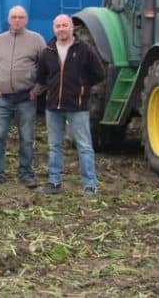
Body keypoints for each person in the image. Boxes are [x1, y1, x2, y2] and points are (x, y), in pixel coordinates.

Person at [36, 14, 104, 196]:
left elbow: (99, 73)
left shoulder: (84, 49)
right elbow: (41, 76)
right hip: (53, 107)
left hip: (77, 106)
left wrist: (82, 87)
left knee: (84, 146)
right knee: (54, 146)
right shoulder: (48, 51)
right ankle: (54, 182)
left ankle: (90, 184)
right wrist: (51, 88)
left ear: (72, 27)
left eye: (65, 25)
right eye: (58, 26)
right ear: (54, 29)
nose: (61, 29)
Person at [0, 5, 46, 187]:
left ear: (26, 20)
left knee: (26, 138)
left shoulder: (36, 40)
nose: (17, 20)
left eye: (20, 17)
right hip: (2, 98)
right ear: (8, 19)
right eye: (14, 17)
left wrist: (37, 90)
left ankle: (26, 173)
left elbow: (46, 68)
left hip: (26, 98)